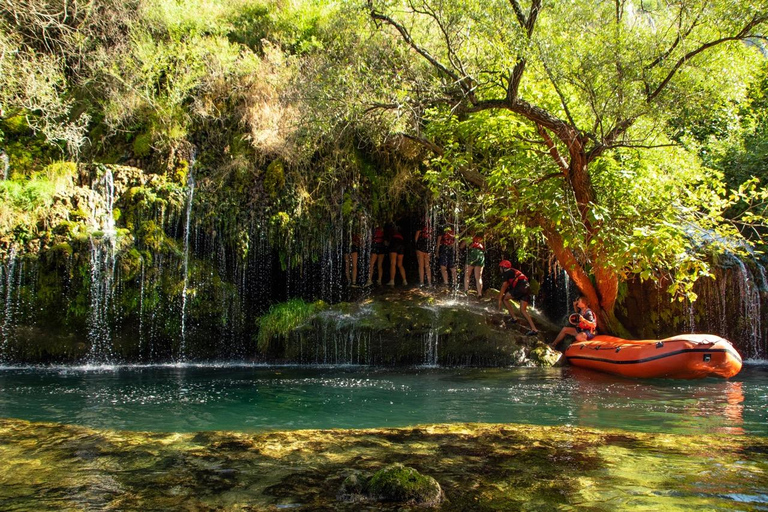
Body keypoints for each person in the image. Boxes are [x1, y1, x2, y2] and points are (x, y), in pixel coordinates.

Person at [497, 260, 538, 336]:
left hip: (520, 288)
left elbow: (504, 286)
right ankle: (534, 329)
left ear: (503, 267)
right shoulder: (513, 271)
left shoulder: (507, 273)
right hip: (527, 287)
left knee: (505, 299)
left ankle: (514, 318)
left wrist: (499, 299)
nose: (499, 269)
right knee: (523, 310)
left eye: (500, 267)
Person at [414, 221, 433, 287]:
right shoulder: (431, 226)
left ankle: (422, 282)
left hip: (421, 245)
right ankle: (429, 283)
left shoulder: (421, 224)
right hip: (427, 246)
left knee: (421, 265)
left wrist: (416, 246)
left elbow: (416, 236)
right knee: (427, 266)